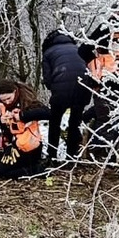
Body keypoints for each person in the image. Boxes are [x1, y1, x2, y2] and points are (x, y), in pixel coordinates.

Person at [78, 4, 119, 161]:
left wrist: (96, 65)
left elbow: (83, 51)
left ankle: (109, 154)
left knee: (114, 119)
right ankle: (106, 153)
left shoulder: (105, 28)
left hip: (113, 82)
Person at [40, 29, 91, 163]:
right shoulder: (77, 48)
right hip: (84, 87)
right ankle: (71, 157)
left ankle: (52, 156)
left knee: (54, 122)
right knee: (75, 123)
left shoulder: (48, 52)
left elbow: (47, 78)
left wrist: (54, 88)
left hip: (61, 88)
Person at [0, 80, 52, 180]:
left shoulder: (27, 101)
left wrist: (22, 116)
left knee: (3, 173)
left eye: (9, 98)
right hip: (12, 145)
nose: (7, 102)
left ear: (15, 91)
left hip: (29, 146)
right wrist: (0, 120)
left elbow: (47, 113)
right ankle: (35, 169)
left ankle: (39, 170)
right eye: (3, 100)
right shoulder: (0, 104)